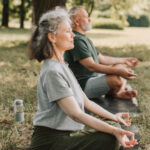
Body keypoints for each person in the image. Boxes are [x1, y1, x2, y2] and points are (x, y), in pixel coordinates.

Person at [28, 7, 138, 150]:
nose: (73, 35)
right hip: (50, 142)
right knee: (111, 138)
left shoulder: (62, 65)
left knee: (114, 127)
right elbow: (76, 114)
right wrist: (113, 130)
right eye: (67, 31)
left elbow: (86, 101)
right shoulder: (52, 71)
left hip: (69, 133)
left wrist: (114, 117)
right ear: (52, 37)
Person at [64, 6, 139, 100]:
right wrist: (119, 72)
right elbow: (91, 66)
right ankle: (118, 92)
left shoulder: (84, 38)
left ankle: (118, 93)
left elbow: (102, 59)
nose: (89, 19)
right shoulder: (77, 40)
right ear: (77, 21)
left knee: (120, 66)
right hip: (82, 86)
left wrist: (125, 60)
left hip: (93, 78)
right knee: (116, 79)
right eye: (86, 17)